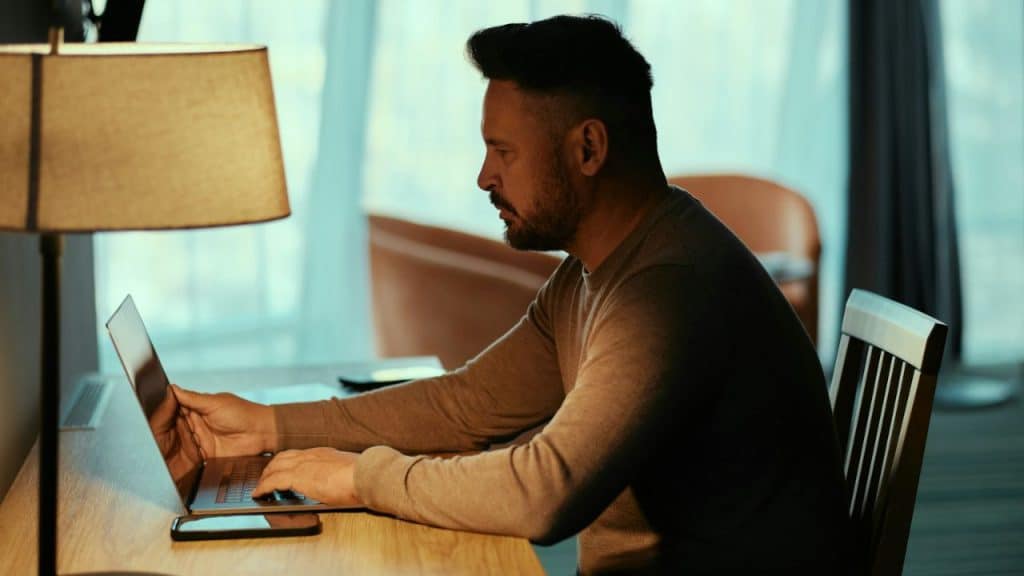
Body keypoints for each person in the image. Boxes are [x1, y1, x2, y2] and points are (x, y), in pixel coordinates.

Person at [172, 14, 850, 575]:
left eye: (504, 152)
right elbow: (468, 406)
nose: (482, 176)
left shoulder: (666, 293)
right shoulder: (596, 269)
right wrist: (271, 426)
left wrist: (357, 477)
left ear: (588, 148)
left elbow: (544, 492)